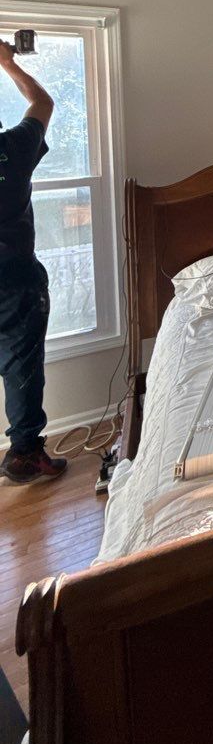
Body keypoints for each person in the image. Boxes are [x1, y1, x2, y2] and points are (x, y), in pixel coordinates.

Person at [0, 39, 66, 484]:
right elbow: (42, 101)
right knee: (22, 364)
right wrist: (8, 63)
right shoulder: (14, 148)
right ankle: (24, 453)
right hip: (15, 280)